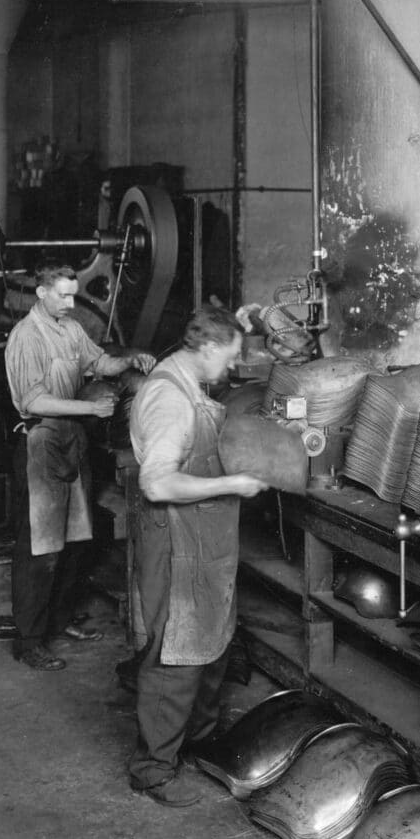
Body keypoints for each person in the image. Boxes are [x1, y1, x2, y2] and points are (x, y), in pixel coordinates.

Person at [127, 303, 268, 806]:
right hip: (177, 536)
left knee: (210, 641)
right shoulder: (171, 400)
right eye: (229, 357)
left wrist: (234, 321)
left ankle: (196, 741)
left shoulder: (187, 372)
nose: (232, 367)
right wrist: (234, 482)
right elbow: (158, 481)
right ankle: (153, 767)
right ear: (206, 349)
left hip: (203, 535)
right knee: (176, 652)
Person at [5, 263, 155, 672]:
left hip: (72, 439)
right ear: (41, 292)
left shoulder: (69, 328)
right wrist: (91, 406)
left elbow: (98, 362)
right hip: (41, 440)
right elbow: (33, 401)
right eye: (63, 295)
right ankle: (30, 641)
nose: (71, 303)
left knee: (75, 540)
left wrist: (128, 360)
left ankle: (58, 621)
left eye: (73, 295)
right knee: (41, 549)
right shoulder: (26, 338)